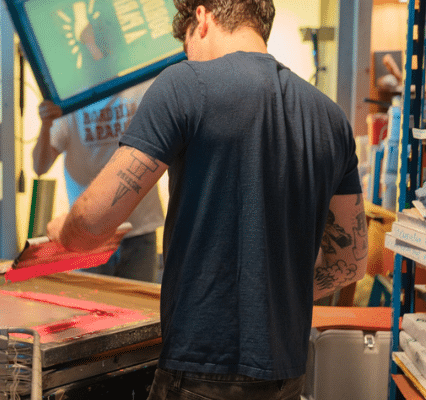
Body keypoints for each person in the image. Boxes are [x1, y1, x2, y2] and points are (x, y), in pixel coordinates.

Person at [45, 1, 368, 399]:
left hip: (201, 370)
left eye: (186, 46)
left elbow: (93, 222)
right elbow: (350, 262)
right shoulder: (330, 117)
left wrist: (62, 229)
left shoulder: (184, 84)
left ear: (201, 18)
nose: (188, 57)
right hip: (287, 373)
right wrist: (275, 292)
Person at [33, 81, 164, 282]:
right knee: (90, 301)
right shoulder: (70, 100)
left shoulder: (141, 84)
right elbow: (40, 167)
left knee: (139, 302)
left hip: (139, 231)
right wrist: (46, 125)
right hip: (88, 236)